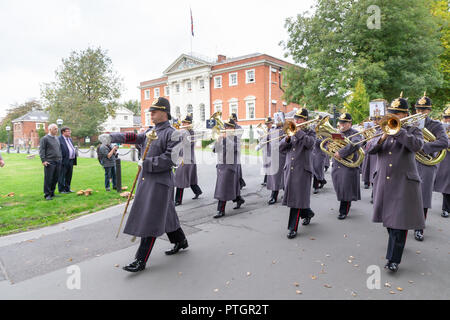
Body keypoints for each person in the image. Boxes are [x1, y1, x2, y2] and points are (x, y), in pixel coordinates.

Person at [99, 97, 188, 273]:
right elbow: (133, 137)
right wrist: (112, 136)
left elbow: (172, 159)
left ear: (164, 113)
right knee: (166, 213)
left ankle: (140, 260)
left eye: (154, 111)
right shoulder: (151, 130)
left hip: (160, 183)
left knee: (151, 218)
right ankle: (180, 240)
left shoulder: (173, 133)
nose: (151, 114)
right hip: (147, 181)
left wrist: (146, 163)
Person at [367, 94, 425, 272]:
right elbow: (369, 148)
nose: (395, 116)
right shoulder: (381, 129)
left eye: (398, 113)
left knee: (399, 222)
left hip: (403, 181)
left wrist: (399, 131)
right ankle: (397, 246)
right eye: (392, 112)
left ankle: (393, 260)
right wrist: (382, 138)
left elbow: (417, 146)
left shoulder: (413, 129)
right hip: (384, 180)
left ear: (406, 114)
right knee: (390, 221)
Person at [413, 93, 449, 241]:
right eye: (418, 109)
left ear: (429, 110)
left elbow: (444, 142)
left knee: (423, 196)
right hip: (409, 162)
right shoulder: (410, 123)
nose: (421, 112)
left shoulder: (436, 125)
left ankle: (419, 227)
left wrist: (423, 147)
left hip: (427, 163)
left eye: (424, 109)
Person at [280, 108, 316, 239]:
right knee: (296, 198)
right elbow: (281, 148)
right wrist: (288, 138)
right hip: (290, 169)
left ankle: (292, 228)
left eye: (300, 119)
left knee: (297, 199)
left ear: (306, 121)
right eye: (296, 119)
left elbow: (310, 144)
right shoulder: (291, 131)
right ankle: (308, 213)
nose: (297, 121)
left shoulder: (311, 132)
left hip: (303, 170)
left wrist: (299, 132)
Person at [331, 113, 362, 220]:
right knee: (339, 186)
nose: (342, 125)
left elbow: (355, 144)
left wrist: (341, 152)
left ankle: (343, 210)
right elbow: (329, 144)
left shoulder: (355, 133)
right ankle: (346, 201)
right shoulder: (337, 133)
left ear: (350, 123)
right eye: (340, 123)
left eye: (344, 123)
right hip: (337, 164)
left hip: (348, 164)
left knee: (345, 187)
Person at [212, 118, 245, 218]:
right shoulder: (222, 137)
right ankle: (239, 199)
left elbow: (234, 148)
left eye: (228, 127)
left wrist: (225, 138)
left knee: (223, 188)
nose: (226, 128)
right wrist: (218, 140)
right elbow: (215, 150)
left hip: (230, 166)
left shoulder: (236, 138)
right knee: (229, 186)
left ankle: (220, 210)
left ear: (233, 128)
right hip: (221, 165)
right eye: (225, 126)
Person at [174, 113, 203, 206]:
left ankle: (178, 200)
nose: (183, 123)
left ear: (188, 123)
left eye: (184, 122)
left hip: (184, 159)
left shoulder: (184, 132)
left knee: (180, 178)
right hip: (191, 158)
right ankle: (197, 191)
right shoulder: (192, 132)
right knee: (191, 177)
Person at [265, 117, 286, 205]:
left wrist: (281, 144)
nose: (277, 121)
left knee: (284, 177)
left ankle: (285, 194)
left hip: (282, 156)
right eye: (276, 120)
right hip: (273, 156)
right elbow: (267, 141)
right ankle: (274, 195)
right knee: (274, 177)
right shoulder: (272, 129)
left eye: (279, 119)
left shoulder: (285, 129)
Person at [434, 107, 450, 218]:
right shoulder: (440, 128)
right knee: (446, 185)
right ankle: (446, 208)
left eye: (449, 118)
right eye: (445, 117)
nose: (447, 120)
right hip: (446, 159)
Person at [39, 124, 62, 200]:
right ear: (50, 129)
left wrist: (60, 158)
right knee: (48, 179)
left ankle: (52, 193)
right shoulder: (45, 138)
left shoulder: (56, 138)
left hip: (58, 161)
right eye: (55, 129)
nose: (57, 130)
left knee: (55, 178)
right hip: (49, 161)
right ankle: (47, 195)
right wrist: (43, 160)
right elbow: (42, 150)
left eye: (57, 129)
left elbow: (58, 149)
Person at [58, 127, 77, 193]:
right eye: (68, 131)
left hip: (71, 160)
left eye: (70, 131)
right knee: (62, 176)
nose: (70, 132)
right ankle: (61, 189)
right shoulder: (59, 139)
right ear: (63, 132)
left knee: (69, 175)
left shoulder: (70, 139)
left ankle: (67, 188)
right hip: (63, 161)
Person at [312, 116, 328, 194]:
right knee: (313, 169)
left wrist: (317, 140)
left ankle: (315, 186)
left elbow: (326, 141)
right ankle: (322, 180)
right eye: (317, 121)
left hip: (320, 152)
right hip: (313, 151)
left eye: (319, 121)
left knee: (317, 168)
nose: (317, 123)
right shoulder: (314, 129)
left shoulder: (325, 130)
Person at [231, 113, 246, 190]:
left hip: (237, 148)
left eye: (233, 119)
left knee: (237, 165)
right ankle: (240, 182)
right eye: (231, 119)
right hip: (230, 148)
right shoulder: (229, 127)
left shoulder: (239, 128)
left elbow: (236, 137)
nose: (232, 121)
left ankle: (240, 182)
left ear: (236, 120)